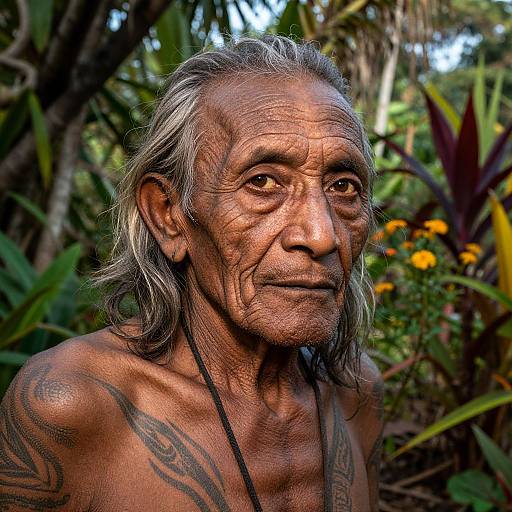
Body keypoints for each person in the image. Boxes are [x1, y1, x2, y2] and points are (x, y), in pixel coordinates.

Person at [0, 36, 383, 512]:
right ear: (168, 215)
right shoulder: (74, 405)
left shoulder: (356, 395)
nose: (322, 234)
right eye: (262, 181)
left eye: (344, 186)